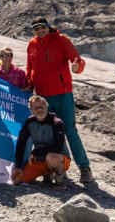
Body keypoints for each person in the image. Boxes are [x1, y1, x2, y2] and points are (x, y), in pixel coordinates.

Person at [26, 17, 92, 183]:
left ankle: (85, 168)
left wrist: (77, 67)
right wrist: (28, 85)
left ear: (48, 27)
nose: (40, 31)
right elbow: (30, 68)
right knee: (49, 133)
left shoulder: (61, 40)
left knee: (69, 130)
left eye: (42, 27)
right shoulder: (32, 44)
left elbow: (77, 59)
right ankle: (56, 168)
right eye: (36, 29)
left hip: (62, 94)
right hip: (43, 96)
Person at [12, 95, 71, 185]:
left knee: (51, 157)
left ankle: (60, 176)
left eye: (42, 106)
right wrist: (18, 166)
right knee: (18, 180)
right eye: (36, 107)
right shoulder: (29, 122)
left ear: (47, 107)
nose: (39, 109)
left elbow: (58, 147)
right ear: (31, 110)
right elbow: (21, 143)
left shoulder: (57, 123)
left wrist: (35, 152)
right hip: (40, 158)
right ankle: (47, 173)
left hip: (60, 158)